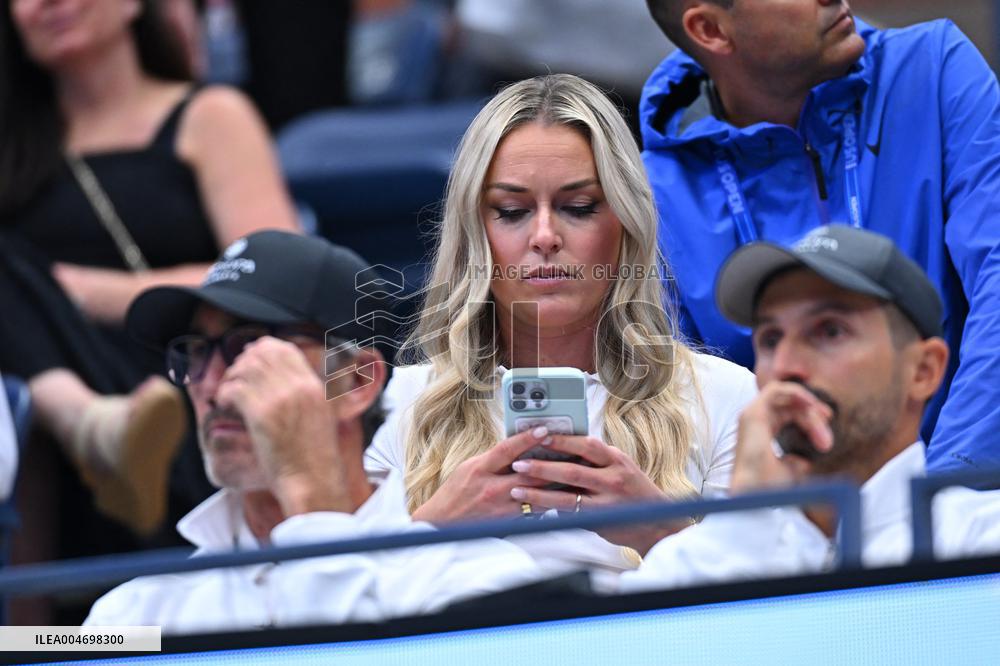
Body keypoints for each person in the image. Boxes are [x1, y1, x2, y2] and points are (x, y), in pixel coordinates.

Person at [364, 73, 758, 587]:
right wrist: (438, 528)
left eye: (579, 207)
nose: (545, 236)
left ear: (626, 225)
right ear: (472, 233)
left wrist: (659, 530)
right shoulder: (399, 404)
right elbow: (339, 618)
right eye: (511, 211)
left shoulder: (726, 397)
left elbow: (766, 616)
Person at [84, 230, 541, 633]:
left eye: (250, 348)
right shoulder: (133, 615)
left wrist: (311, 503)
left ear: (359, 382)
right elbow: (28, 645)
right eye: (195, 352)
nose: (212, 384)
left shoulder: (478, 579)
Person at [639, 1, 1000, 475]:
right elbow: (686, 419)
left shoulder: (933, 68)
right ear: (710, 29)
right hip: (790, 525)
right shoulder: (653, 192)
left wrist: (936, 500)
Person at [0, 0, 299, 536]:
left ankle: (98, 429)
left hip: (187, 391)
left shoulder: (210, 116)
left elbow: (278, 276)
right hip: (37, 441)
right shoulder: (12, 147)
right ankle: (85, 425)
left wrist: (83, 293)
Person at [619, 225, 1000, 593]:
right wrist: (745, 524)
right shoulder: (698, 558)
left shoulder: (981, 540)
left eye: (830, 331)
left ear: (923, 370)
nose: (785, 366)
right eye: (770, 339)